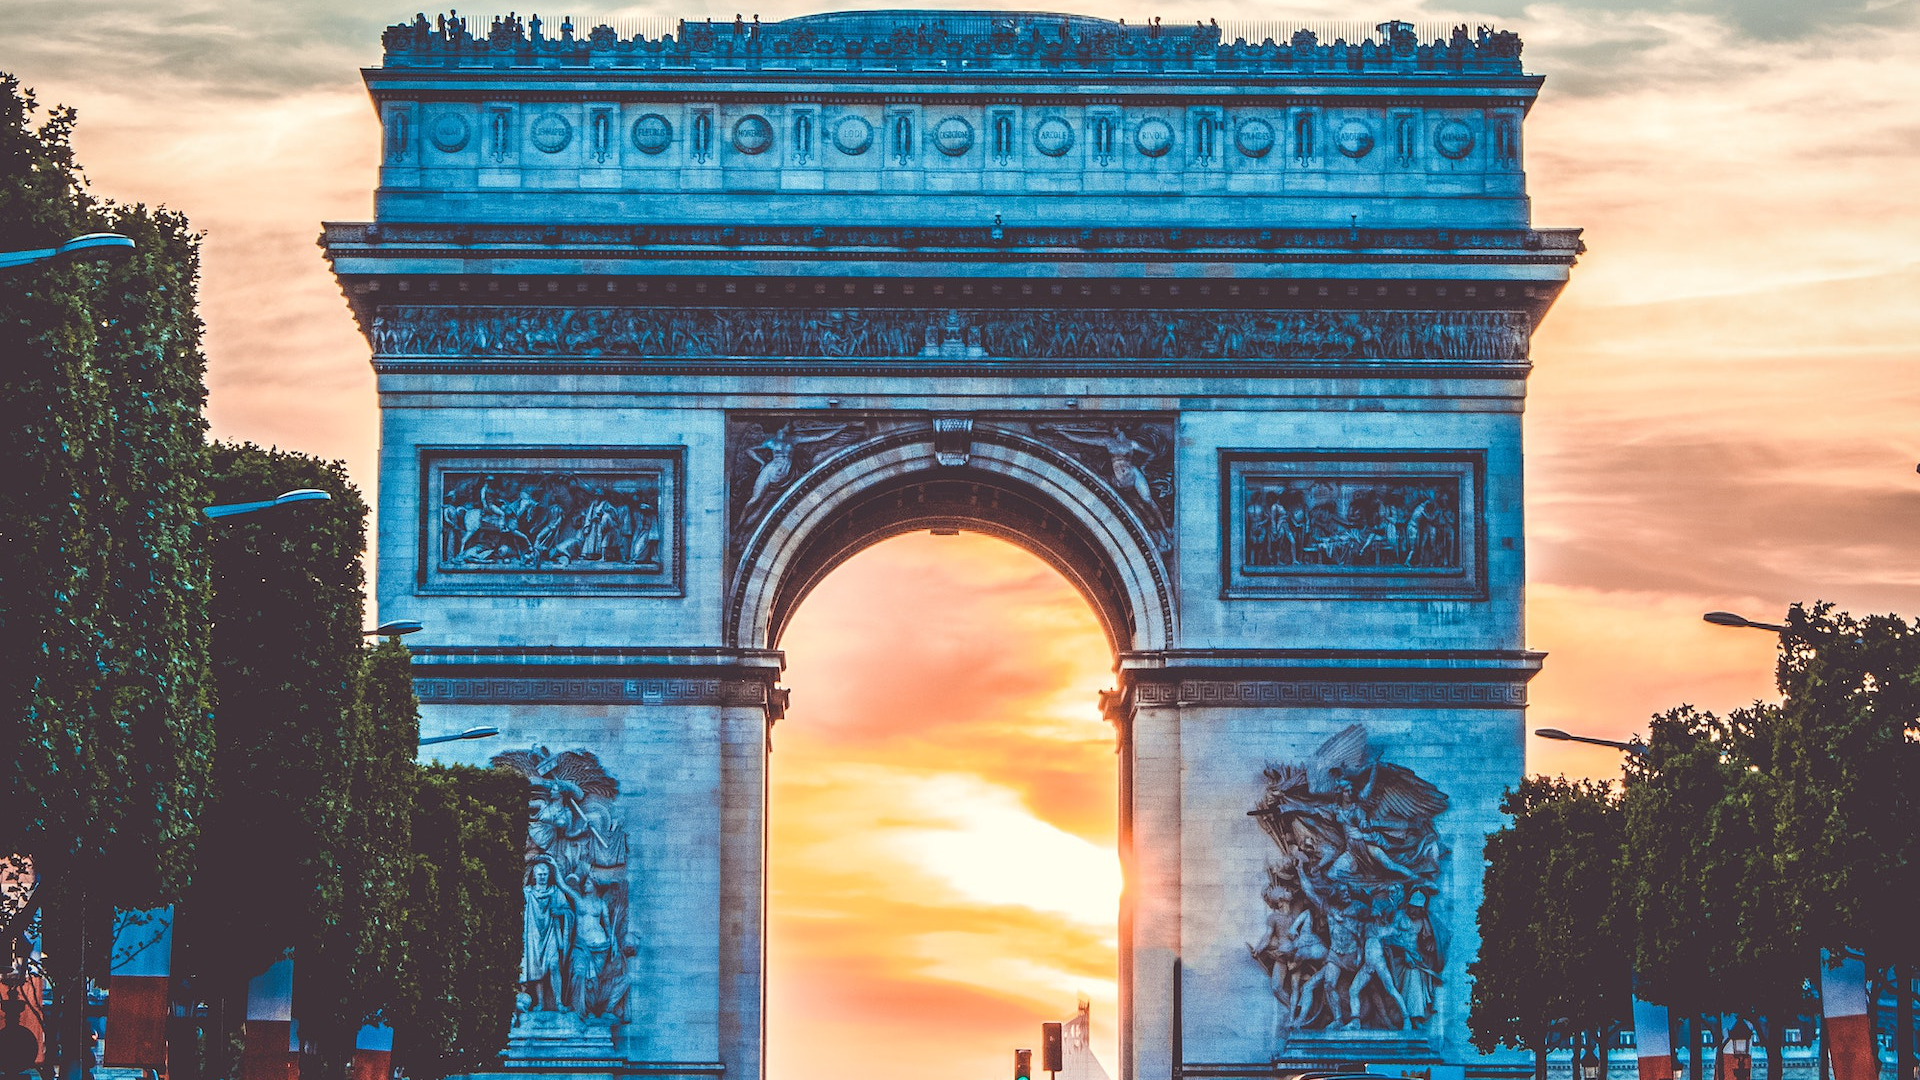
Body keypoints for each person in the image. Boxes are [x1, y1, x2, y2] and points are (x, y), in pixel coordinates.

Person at [522, 861, 573, 1011]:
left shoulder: (555, 892)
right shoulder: (528, 893)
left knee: (553, 965)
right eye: (539, 874)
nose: (542, 877)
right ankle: (540, 1003)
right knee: (537, 968)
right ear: (534, 876)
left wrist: (559, 912)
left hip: (551, 931)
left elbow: (569, 912)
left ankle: (559, 1002)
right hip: (534, 934)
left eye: (545, 874)